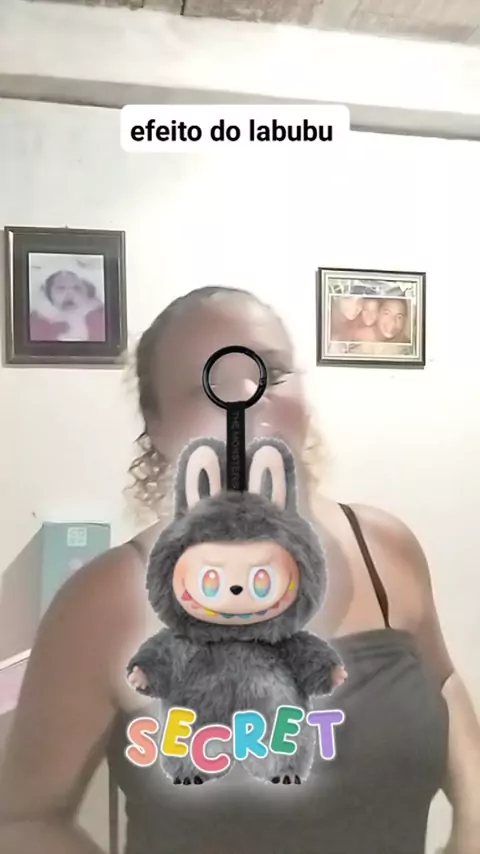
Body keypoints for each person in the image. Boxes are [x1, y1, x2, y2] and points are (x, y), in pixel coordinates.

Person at [1, 285, 480, 854]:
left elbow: (443, 682)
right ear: (156, 426)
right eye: (208, 385)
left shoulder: (384, 548)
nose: (246, 403)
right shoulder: (103, 601)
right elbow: (23, 818)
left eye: (269, 374)